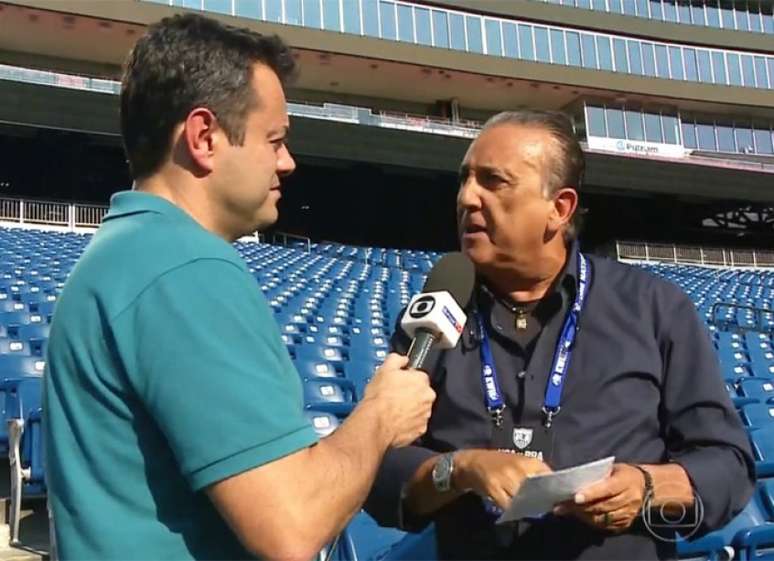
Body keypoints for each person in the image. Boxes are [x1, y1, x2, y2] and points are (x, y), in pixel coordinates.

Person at [43, 14, 436, 561]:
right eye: (274, 140)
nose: (287, 162)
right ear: (205, 137)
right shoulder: (183, 268)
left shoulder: (126, 254)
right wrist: (379, 416)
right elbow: (291, 528)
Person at [365, 110, 755, 560]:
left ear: (560, 207)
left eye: (493, 181)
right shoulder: (435, 313)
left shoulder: (655, 308)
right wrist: (458, 469)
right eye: (464, 179)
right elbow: (379, 469)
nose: (467, 197)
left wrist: (646, 487)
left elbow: (728, 462)